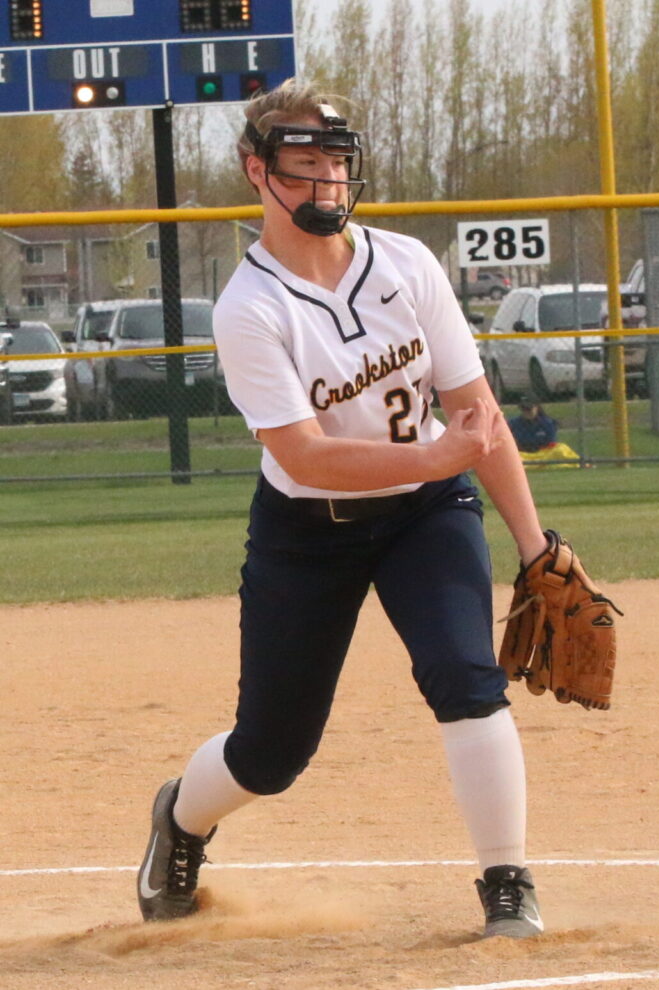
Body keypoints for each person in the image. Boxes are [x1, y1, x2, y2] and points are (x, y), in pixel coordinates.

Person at [136, 79, 549, 940]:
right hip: (307, 533)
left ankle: (508, 885)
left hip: (427, 513)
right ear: (258, 172)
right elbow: (305, 455)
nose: (325, 182)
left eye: (334, 163)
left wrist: (535, 545)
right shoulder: (251, 308)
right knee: (272, 752)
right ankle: (181, 819)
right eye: (303, 164)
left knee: (467, 678)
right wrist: (433, 452)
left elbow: (479, 416)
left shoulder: (405, 264)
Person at [507, 399, 580, 467]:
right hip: (524, 455)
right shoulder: (514, 423)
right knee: (511, 456)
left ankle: (581, 463)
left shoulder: (547, 423)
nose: (526, 412)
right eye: (524, 409)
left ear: (537, 408)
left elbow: (551, 443)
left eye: (529, 409)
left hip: (544, 454)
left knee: (560, 450)